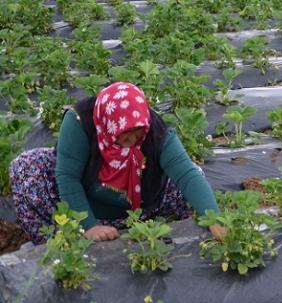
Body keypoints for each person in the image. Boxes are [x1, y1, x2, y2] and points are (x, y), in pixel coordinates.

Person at [10, 82, 224, 243]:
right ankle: (57, 241)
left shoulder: (155, 132)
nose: (131, 140)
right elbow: (67, 176)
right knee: (26, 167)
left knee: (195, 175)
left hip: (140, 209)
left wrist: (214, 219)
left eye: (137, 131)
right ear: (107, 124)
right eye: (125, 132)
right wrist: (89, 226)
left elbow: (186, 174)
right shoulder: (79, 122)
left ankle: (135, 225)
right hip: (82, 204)